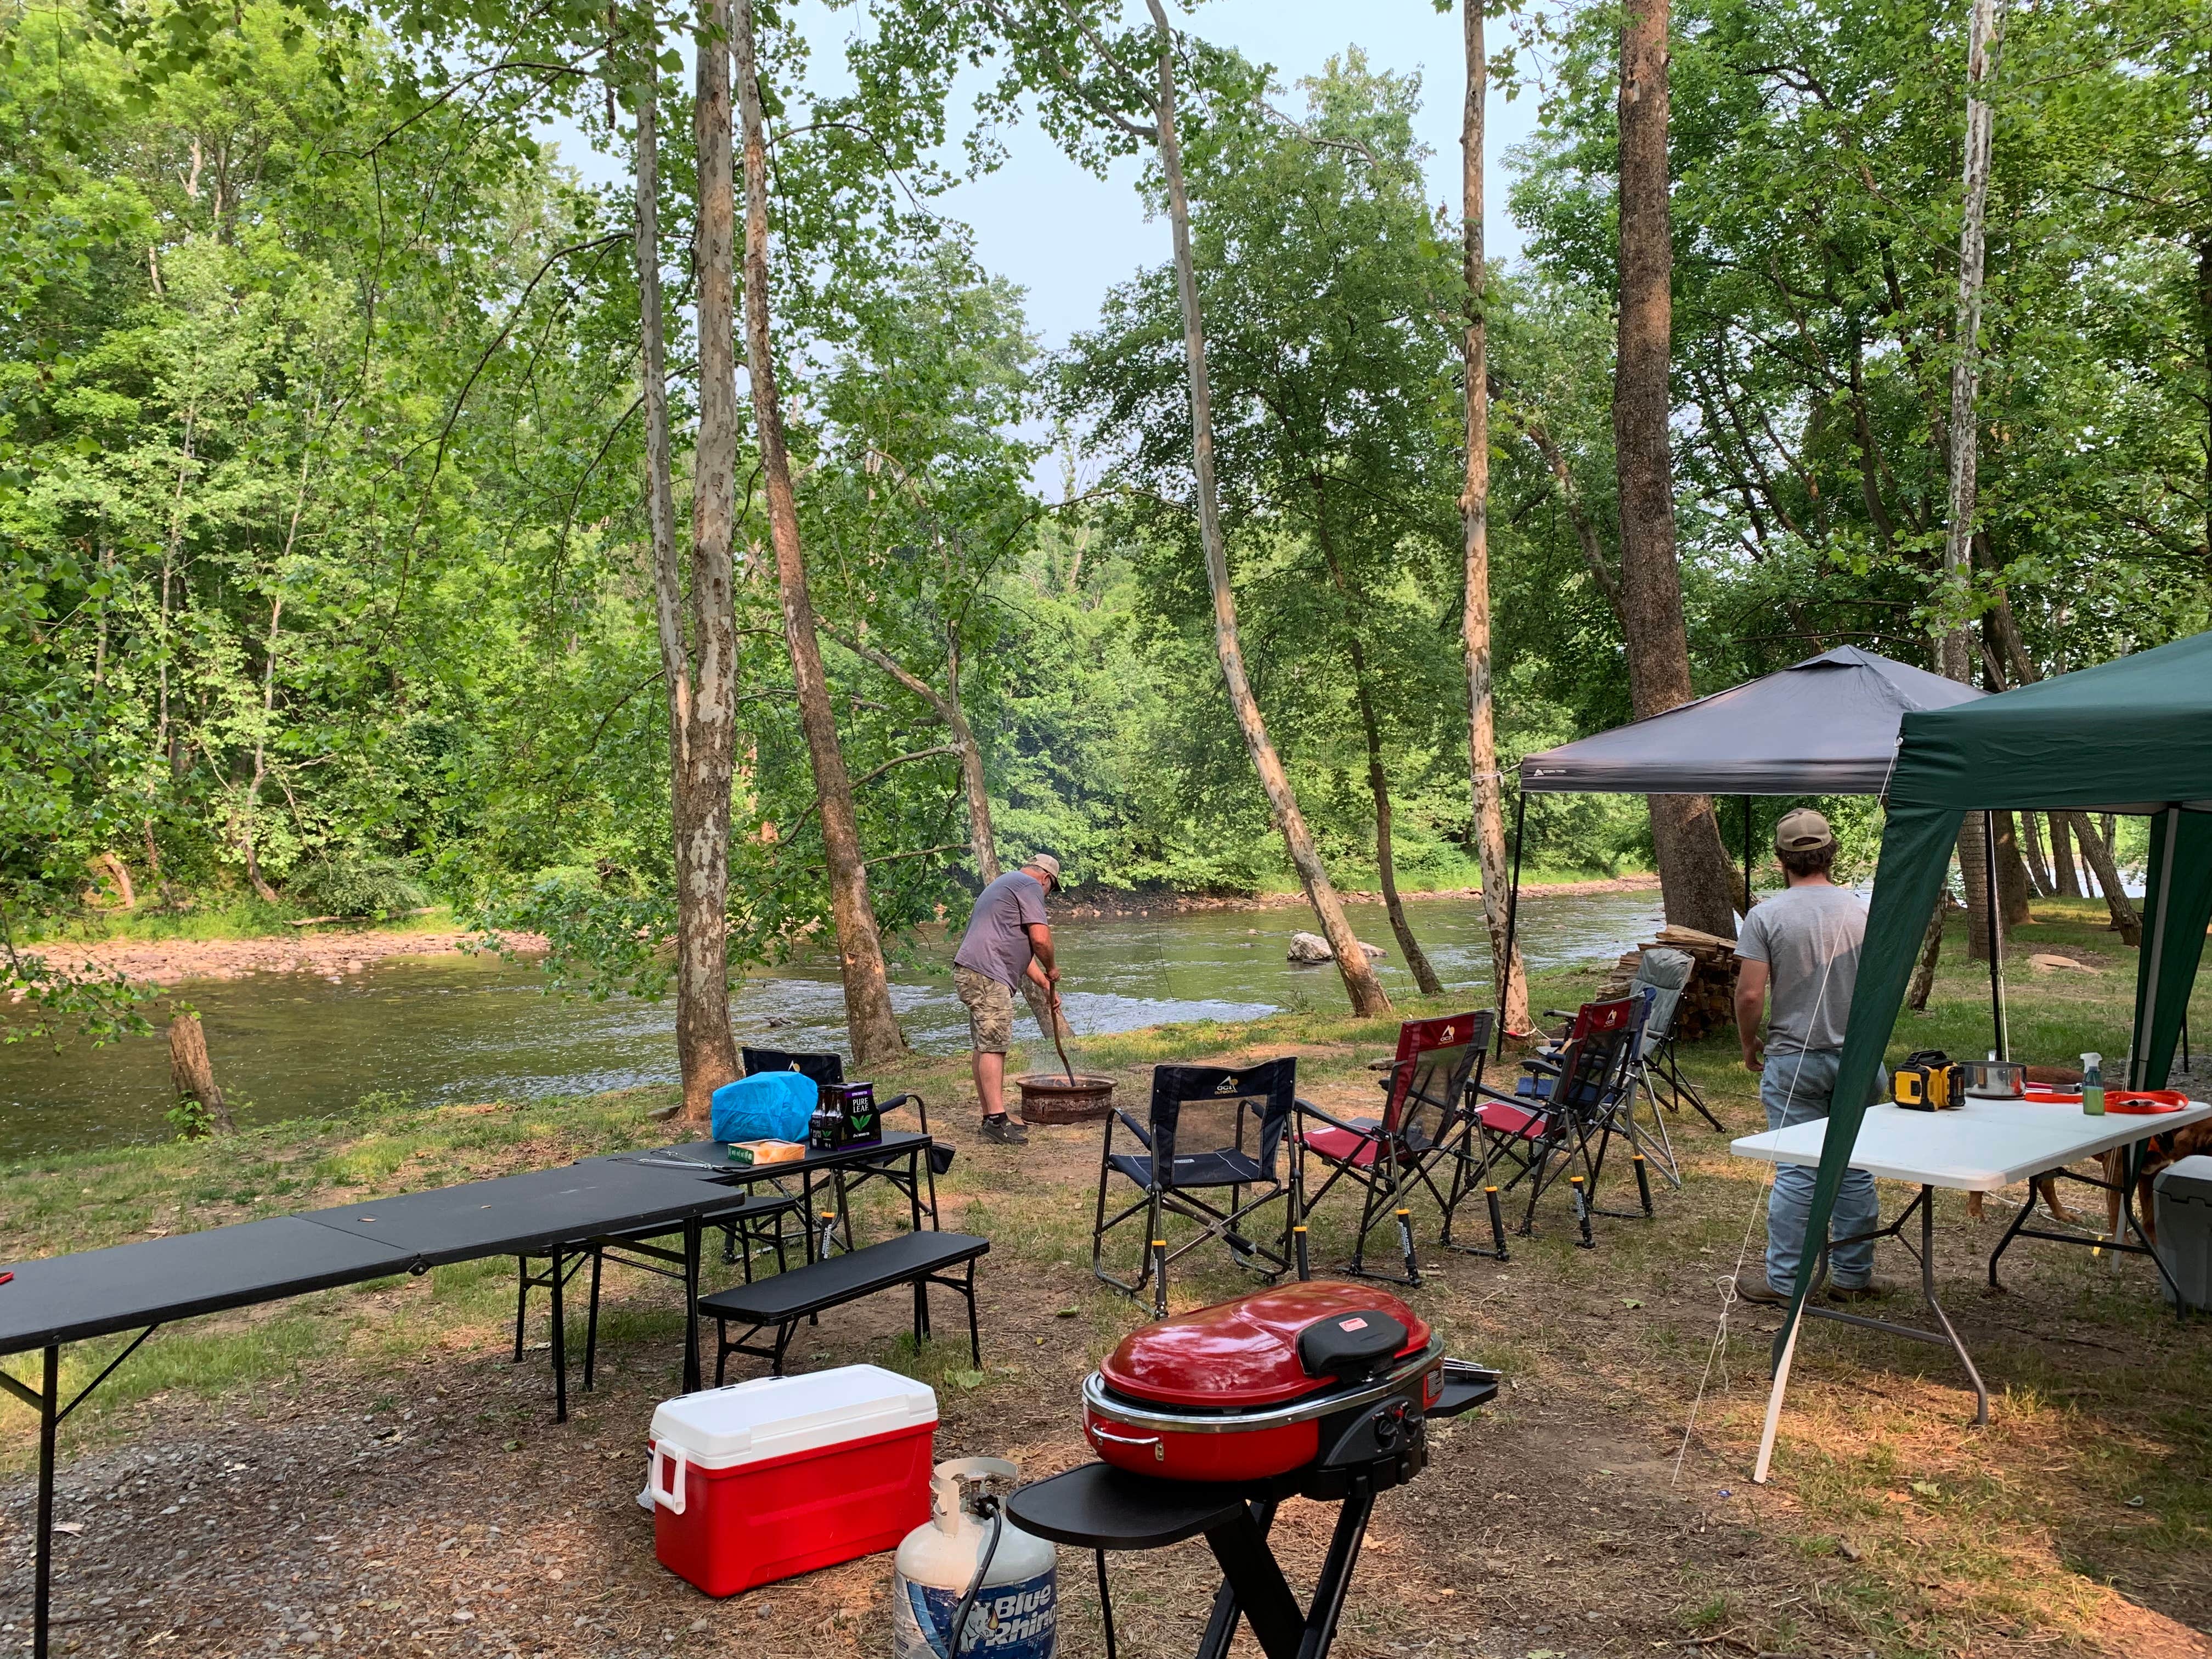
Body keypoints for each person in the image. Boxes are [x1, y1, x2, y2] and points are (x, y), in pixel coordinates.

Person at [1731, 809, 1890, 1305]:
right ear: (1831, 852)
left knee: (1800, 1171)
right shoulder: (1865, 911)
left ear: (1782, 859)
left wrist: (1747, 1043)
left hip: (1794, 1060)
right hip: (1861, 1061)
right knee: (1854, 1166)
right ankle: (1852, 1276)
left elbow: (1750, 995)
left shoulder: (1767, 916)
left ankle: (1786, 1284)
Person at [952, 854, 1064, 1146]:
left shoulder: (1007, 883)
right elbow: (1040, 940)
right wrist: (1052, 967)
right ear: (1046, 879)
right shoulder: (1029, 887)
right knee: (995, 1045)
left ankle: (992, 1115)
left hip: (975, 971)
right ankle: (996, 1121)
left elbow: (1018, 948)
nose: (1047, 896)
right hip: (988, 974)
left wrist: (1044, 984)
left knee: (985, 1044)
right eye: (1051, 889)